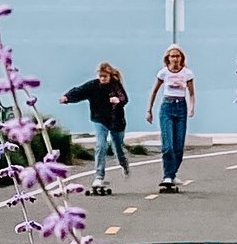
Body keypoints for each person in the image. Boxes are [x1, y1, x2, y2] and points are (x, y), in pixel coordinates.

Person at [61, 62, 130, 192]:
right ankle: (99, 177)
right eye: (101, 76)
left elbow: (124, 97)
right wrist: (67, 97)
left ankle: (124, 164)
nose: (103, 79)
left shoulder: (115, 86)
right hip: (99, 119)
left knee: (118, 149)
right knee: (100, 145)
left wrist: (118, 101)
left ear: (110, 76)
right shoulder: (93, 85)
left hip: (116, 121)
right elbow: (79, 91)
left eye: (105, 76)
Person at [147, 47, 195, 193]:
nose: (175, 59)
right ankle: (167, 175)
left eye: (177, 56)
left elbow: (192, 93)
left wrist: (192, 108)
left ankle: (173, 174)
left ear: (181, 58)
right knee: (168, 145)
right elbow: (154, 91)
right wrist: (149, 110)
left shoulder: (187, 73)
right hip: (167, 107)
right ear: (168, 58)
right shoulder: (163, 72)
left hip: (181, 106)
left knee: (178, 146)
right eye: (172, 56)